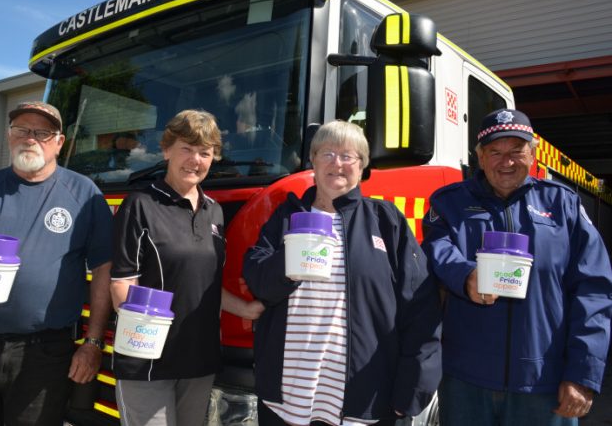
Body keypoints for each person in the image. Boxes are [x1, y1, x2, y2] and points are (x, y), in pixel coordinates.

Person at [242, 120, 442, 426]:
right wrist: (290, 260)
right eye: (327, 153)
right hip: (288, 400)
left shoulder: (386, 221)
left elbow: (422, 309)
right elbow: (259, 281)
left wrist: (411, 391)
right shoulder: (287, 216)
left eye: (349, 156)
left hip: (364, 403)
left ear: (362, 166)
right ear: (313, 160)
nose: (338, 163)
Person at [422, 108, 612, 426]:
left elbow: (594, 290)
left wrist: (582, 373)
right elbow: (435, 250)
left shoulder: (563, 205)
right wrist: (465, 275)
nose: (505, 162)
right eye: (495, 152)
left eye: (516, 151)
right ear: (480, 158)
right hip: (466, 382)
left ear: (533, 155)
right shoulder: (448, 203)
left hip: (544, 383)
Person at [0, 101, 113, 426]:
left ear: (59, 143)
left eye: (42, 132)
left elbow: (103, 269)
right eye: (22, 130)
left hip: (45, 352)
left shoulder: (86, 195)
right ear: (9, 136)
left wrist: (93, 343)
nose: (31, 138)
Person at [109, 109, 265, 426]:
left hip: (199, 360)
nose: (195, 160)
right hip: (149, 362)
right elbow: (122, 284)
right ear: (166, 150)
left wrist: (247, 310)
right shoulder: (140, 204)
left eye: (204, 153)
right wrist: (144, 341)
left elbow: (204, 284)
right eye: (186, 149)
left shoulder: (214, 212)